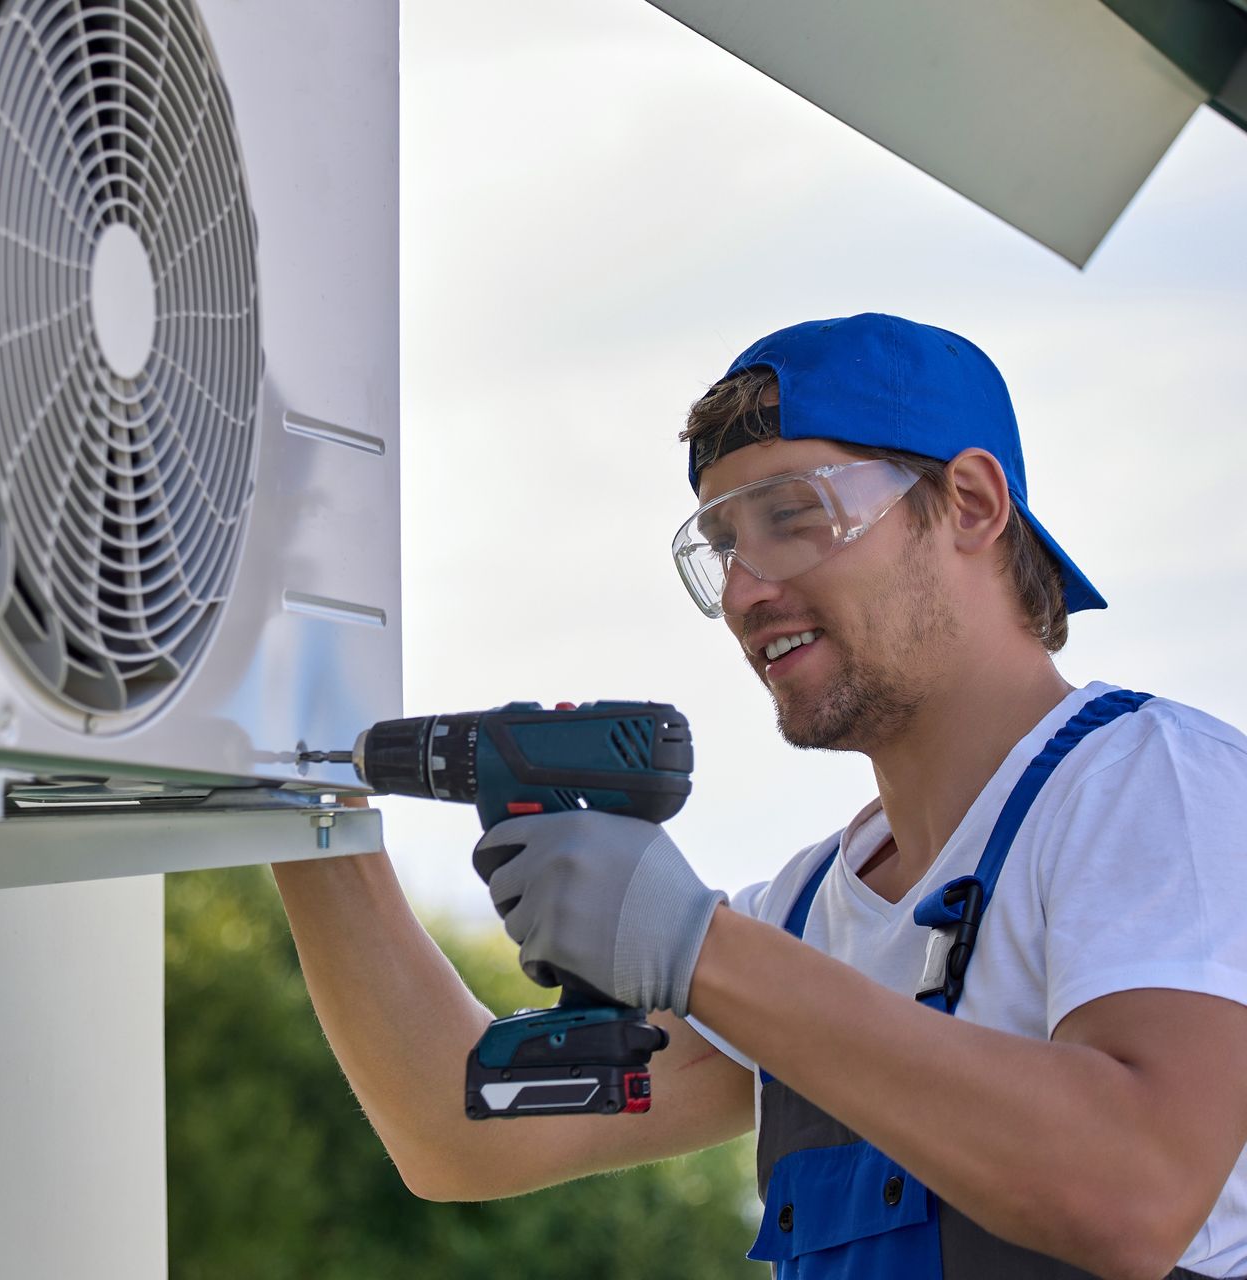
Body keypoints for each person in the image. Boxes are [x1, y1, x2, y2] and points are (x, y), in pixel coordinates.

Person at [272, 313, 1247, 1279]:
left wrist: (700, 946)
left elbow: (1137, 1188)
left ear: (972, 503)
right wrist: (293, 791)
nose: (743, 591)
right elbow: (465, 1131)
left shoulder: (1150, 780)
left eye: (794, 517)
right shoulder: (811, 912)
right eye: (723, 544)